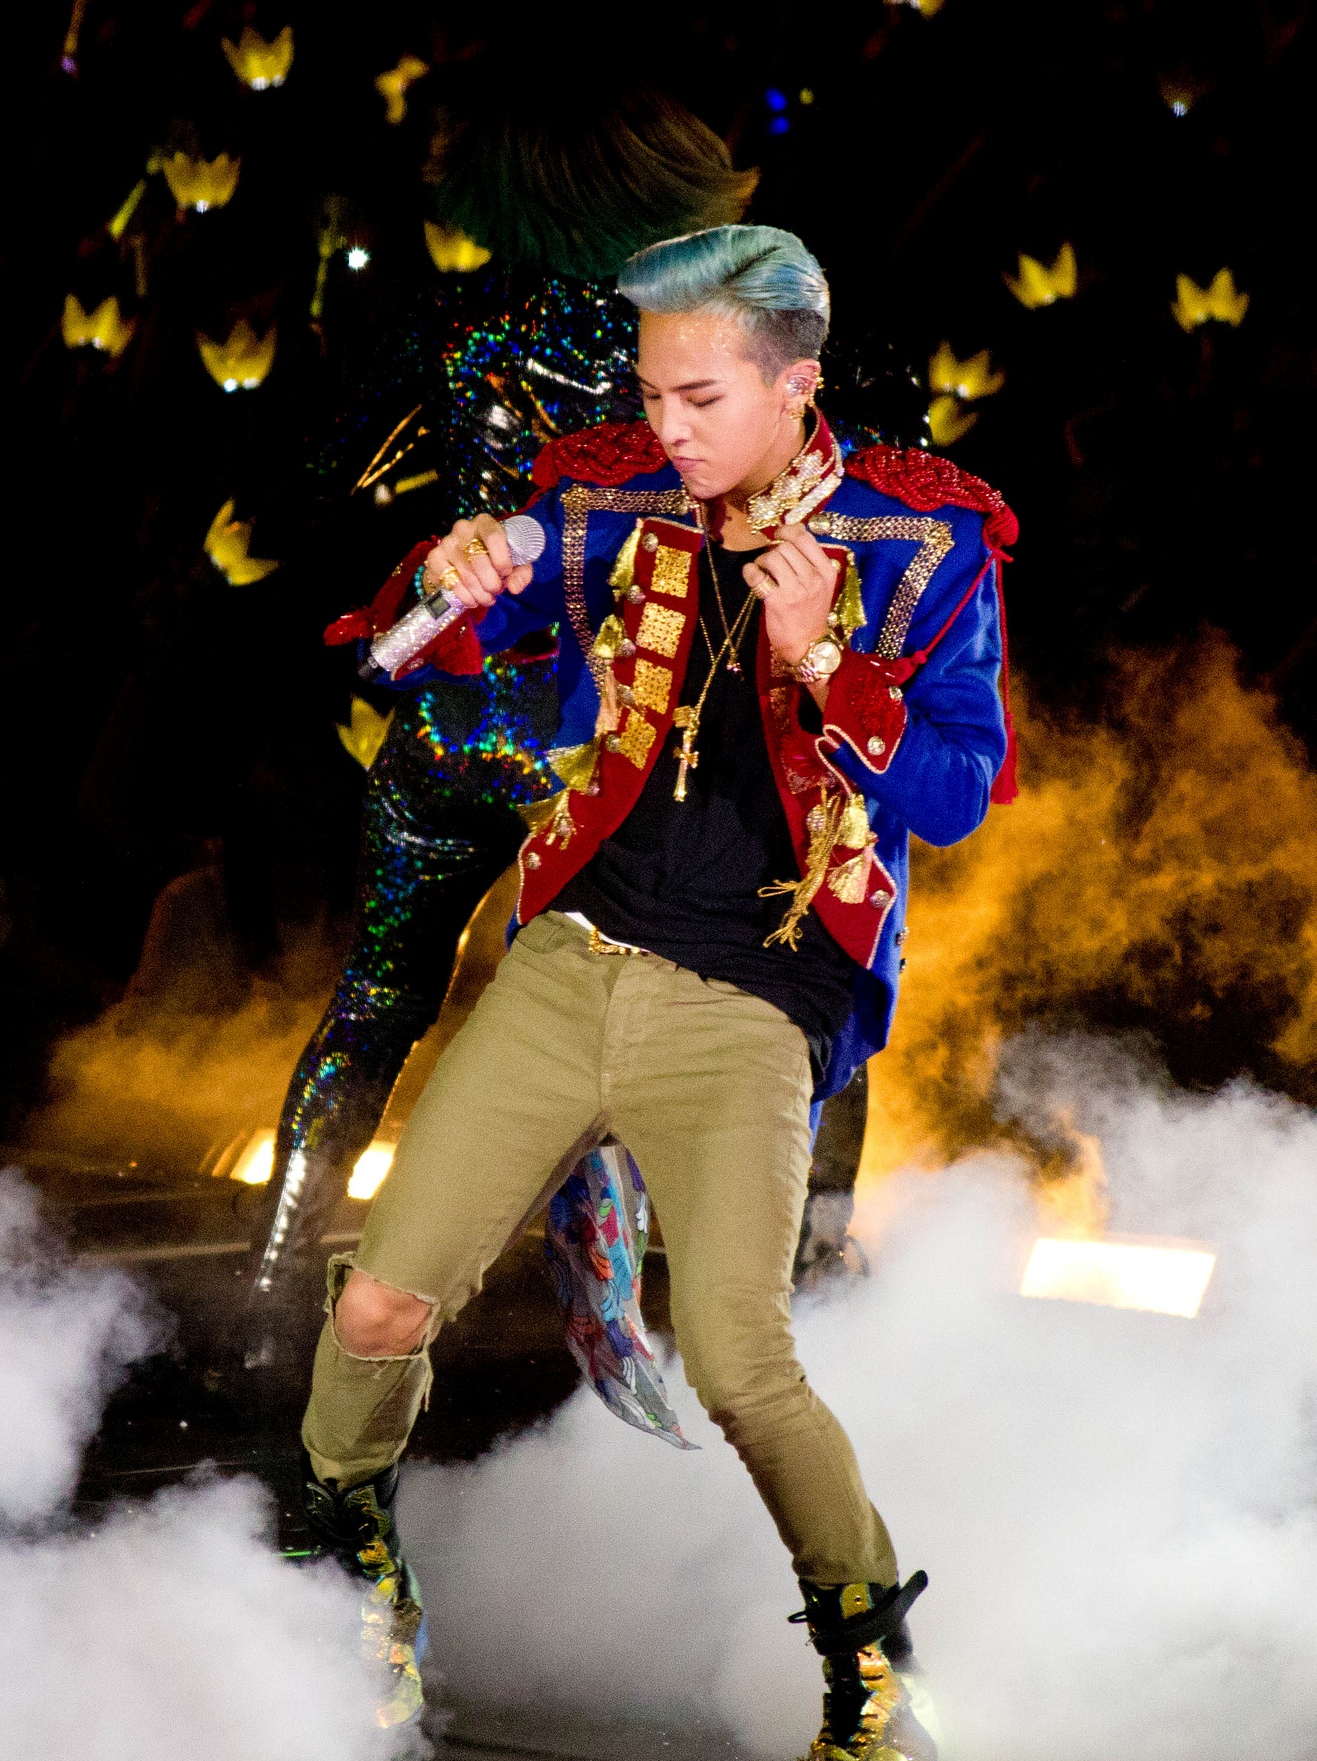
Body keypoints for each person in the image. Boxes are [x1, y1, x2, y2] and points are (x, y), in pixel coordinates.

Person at [297, 223, 1016, 1758]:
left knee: (742, 1365)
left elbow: (956, 791)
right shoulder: (609, 498)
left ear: (794, 385)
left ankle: (873, 1676)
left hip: (752, 994)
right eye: (649, 393)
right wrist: (452, 577)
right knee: (376, 1301)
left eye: (700, 399)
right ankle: (352, 1576)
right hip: (572, 958)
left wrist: (824, 661)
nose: (664, 427)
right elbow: (413, 658)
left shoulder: (921, 539)